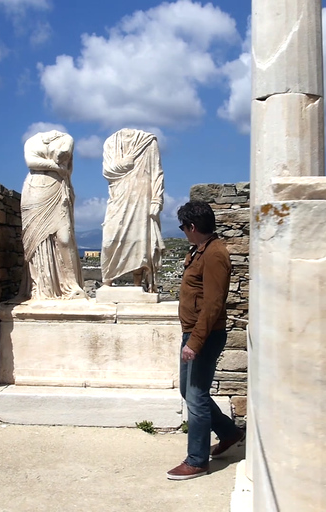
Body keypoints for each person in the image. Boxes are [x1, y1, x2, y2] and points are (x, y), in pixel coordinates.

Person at [167, 200, 245, 480]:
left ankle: (197, 460)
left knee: (197, 397)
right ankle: (229, 432)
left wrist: (195, 343)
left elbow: (213, 304)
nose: (183, 232)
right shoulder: (200, 250)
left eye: (183, 227)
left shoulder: (214, 255)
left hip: (205, 335)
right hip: (194, 332)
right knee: (189, 393)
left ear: (192, 226)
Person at [21, 130, 86, 300]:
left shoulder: (66, 138)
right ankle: (42, 287)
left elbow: (62, 157)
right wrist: (55, 167)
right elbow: (31, 162)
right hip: (34, 190)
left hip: (57, 188)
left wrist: (53, 164)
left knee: (64, 238)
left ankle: (72, 285)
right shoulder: (32, 140)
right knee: (36, 241)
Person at [100, 128, 164, 291]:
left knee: (140, 242)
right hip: (118, 196)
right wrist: (124, 163)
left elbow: (157, 172)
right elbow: (107, 171)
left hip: (143, 195)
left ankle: (139, 284)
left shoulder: (149, 141)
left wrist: (157, 198)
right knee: (109, 240)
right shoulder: (110, 142)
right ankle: (107, 280)